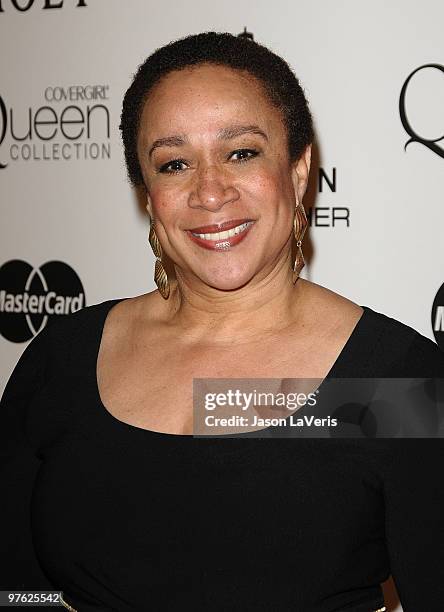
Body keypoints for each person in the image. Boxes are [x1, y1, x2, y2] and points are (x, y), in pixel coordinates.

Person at [1, 31, 444, 612]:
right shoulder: (63, 358)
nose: (209, 192)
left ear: (299, 170)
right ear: (147, 194)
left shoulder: (396, 381)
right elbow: (14, 587)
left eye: (242, 152)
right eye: (174, 163)